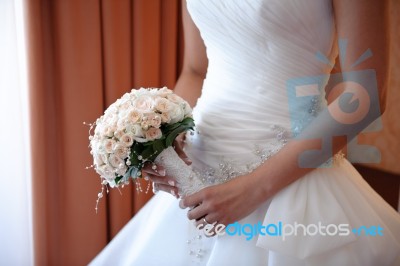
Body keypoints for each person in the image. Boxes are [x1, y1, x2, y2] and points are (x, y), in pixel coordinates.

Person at [90, 0, 400, 265]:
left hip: (288, 171)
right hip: (198, 167)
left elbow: (366, 94)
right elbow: (196, 69)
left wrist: (253, 189)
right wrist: (171, 136)